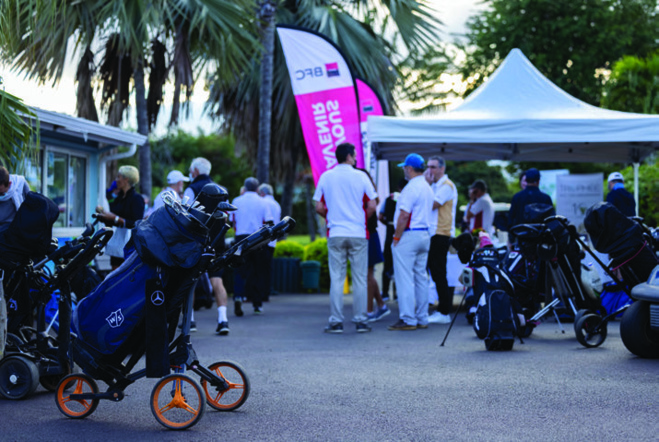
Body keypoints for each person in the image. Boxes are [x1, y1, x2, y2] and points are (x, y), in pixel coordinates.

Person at [313, 143, 377, 334]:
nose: (356, 158)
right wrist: (360, 218)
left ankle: (335, 321)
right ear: (349, 156)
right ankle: (360, 320)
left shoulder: (326, 176)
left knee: (337, 278)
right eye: (354, 155)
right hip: (358, 232)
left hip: (336, 232)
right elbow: (372, 205)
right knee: (359, 279)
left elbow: (318, 207)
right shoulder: (361, 176)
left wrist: (332, 217)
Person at [388, 153, 434, 331]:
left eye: (405, 168)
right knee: (421, 277)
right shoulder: (427, 187)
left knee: (404, 278)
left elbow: (404, 215)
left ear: (409, 168)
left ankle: (408, 318)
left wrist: (396, 237)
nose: (404, 171)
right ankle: (422, 317)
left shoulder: (410, 188)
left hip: (409, 234)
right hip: (424, 234)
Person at [184, 157, 229, 334]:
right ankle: (223, 320)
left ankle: (190, 321)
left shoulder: (192, 188)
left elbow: (186, 214)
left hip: (197, 240)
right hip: (217, 241)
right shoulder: (222, 190)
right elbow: (226, 216)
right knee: (217, 281)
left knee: (191, 281)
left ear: (195, 171)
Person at [231, 177, 273, 315]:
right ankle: (257, 303)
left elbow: (232, 222)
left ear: (244, 187)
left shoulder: (236, 201)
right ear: (257, 189)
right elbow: (269, 222)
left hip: (240, 238)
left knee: (239, 269)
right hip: (257, 238)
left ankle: (238, 296)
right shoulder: (263, 202)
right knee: (257, 270)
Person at [425, 156, 458, 325]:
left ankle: (444, 311)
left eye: (433, 167)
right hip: (434, 233)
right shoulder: (437, 186)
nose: (429, 170)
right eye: (428, 166)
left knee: (439, 273)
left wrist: (425, 184)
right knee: (435, 272)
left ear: (442, 169)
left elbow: (431, 204)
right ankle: (441, 309)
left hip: (441, 233)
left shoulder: (446, 186)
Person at [96, 165, 144, 270]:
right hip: (117, 244)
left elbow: (136, 224)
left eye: (118, 177)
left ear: (126, 179)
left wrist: (115, 218)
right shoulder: (119, 198)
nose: (116, 180)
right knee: (114, 272)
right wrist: (103, 215)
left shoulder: (137, 199)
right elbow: (113, 218)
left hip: (129, 245)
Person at [359, 169, 390, 323]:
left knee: (367, 275)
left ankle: (370, 311)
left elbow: (372, 208)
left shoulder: (367, 196)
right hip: (368, 235)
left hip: (368, 235)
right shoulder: (368, 193)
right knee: (368, 274)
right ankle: (381, 305)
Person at [378, 178, 406, 302]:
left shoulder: (389, 198)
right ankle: (397, 293)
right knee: (400, 265)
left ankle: (385, 292)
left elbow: (380, 216)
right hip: (404, 234)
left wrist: (388, 223)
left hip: (390, 233)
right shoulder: (407, 198)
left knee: (387, 264)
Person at [507, 168, 553, 232]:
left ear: (526, 180)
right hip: (541, 238)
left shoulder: (517, 197)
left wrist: (511, 238)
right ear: (538, 181)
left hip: (521, 236)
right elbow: (551, 221)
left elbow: (511, 219)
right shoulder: (545, 198)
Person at [258, 183, 281, 301]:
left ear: (262, 193)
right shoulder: (276, 204)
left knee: (259, 269)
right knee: (267, 268)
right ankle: (266, 292)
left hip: (264, 240)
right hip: (273, 241)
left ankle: (259, 294)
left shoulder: (264, 203)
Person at [0, 166, 30, 231]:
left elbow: (32, 207)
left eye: (1, 193)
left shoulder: (20, 185)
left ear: (9, 184)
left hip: (15, 228)